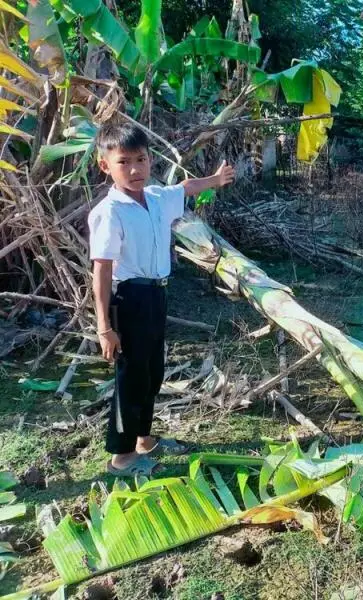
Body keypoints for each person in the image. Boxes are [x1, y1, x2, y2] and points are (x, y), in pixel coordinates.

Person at [88, 121, 234, 476]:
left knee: (152, 373)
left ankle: (145, 440)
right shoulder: (109, 213)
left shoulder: (155, 198)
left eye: (141, 159)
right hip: (129, 299)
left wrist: (216, 179)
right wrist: (105, 327)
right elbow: (102, 271)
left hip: (156, 296)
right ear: (105, 165)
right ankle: (121, 457)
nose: (135, 169)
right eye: (124, 162)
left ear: (150, 160)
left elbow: (186, 187)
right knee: (131, 378)